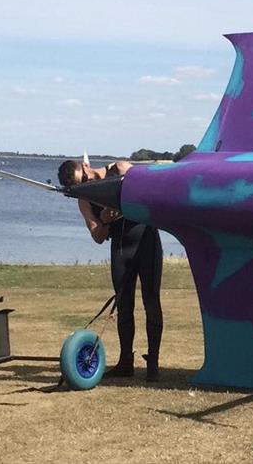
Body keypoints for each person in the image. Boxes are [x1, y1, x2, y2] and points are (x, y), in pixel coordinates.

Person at [57, 159, 163, 381]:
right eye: (78, 186)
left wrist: (122, 204)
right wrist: (104, 220)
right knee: (124, 307)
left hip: (145, 240)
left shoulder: (119, 169)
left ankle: (153, 363)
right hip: (121, 249)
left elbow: (151, 193)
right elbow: (98, 237)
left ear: (85, 167)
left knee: (151, 301)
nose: (84, 186)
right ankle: (126, 362)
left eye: (83, 180)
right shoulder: (84, 201)